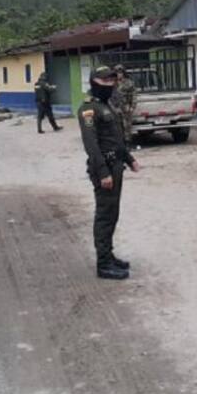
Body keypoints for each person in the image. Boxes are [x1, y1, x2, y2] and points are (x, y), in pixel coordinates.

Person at [78, 66, 141, 280]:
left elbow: (116, 138)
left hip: (116, 166)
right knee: (105, 215)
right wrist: (103, 172)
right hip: (104, 168)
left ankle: (109, 254)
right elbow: (92, 145)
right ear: (95, 82)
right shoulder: (89, 109)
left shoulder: (108, 106)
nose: (111, 84)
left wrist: (129, 159)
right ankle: (103, 264)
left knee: (113, 213)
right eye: (106, 81)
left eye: (113, 81)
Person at [109, 64, 137, 144]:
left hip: (125, 107)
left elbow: (134, 95)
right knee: (116, 126)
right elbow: (108, 95)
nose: (119, 74)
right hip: (114, 107)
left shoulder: (129, 83)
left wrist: (132, 106)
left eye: (120, 72)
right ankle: (119, 143)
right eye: (117, 73)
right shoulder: (111, 83)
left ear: (123, 73)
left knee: (127, 126)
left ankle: (127, 143)